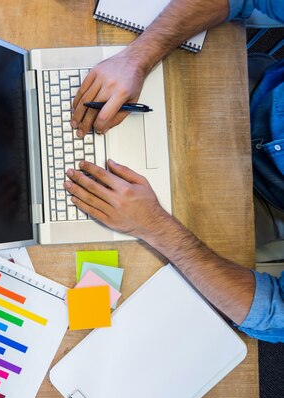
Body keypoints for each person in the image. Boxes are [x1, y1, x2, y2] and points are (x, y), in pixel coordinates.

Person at [65, 0, 284, 342]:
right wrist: (137, 57)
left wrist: (154, 227)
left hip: (256, 206)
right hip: (246, 88)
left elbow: (274, 313)